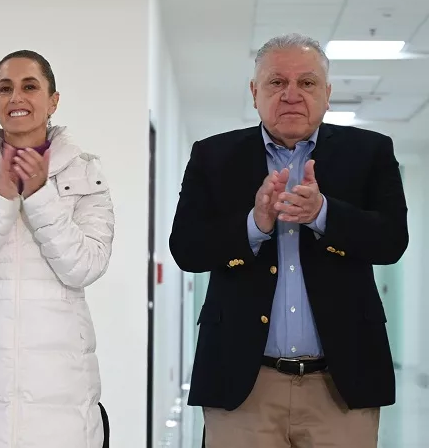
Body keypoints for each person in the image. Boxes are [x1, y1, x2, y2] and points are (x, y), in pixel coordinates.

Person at [169, 33, 408, 448]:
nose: (292, 94)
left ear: (327, 94)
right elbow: (186, 249)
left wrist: (323, 214)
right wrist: (254, 224)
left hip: (342, 384)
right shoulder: (213, 156)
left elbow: (392, 241)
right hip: (242, 385)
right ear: (255, 93)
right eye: (277, 82)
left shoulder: (370, 152)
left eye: (307, 83)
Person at [0, 50, 115, 448]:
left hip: (63, 400)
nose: (16, 98)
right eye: (5, 88)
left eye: (30, 86)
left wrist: (40, 195)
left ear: (53, 101)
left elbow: (85, 266)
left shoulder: (85, 173)